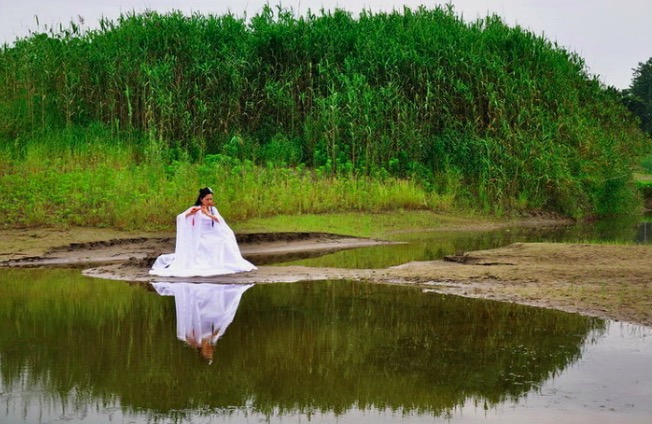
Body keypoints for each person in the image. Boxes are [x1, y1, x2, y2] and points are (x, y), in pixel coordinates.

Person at [150, 187, 256, 277]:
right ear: (201, 199)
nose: (210, 201)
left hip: (212, 233)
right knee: (205, 244)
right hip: (200, 235)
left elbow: (219, 220)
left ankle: (223, 262)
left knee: (223, 242)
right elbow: (180, 218)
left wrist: (208, 214)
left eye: (211, 199)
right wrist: (189, 214)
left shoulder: (213, 210)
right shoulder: (196, 209)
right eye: (207, 199)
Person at [151, 282, 254, 363]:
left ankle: (207, 296)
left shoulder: (194, 342)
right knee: (223, 313)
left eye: (208, 353)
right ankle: (217, 295)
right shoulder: (212, 340)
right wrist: (213, 335)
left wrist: (197, 339)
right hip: (212, 317)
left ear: (202, 352)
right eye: (211, 353)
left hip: (201, 316)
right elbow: (218, 329)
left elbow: (187, 329)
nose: (210, 351)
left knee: (218, 311)